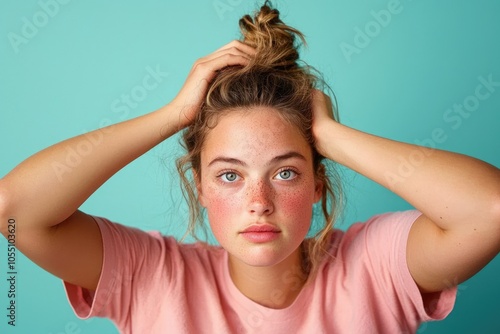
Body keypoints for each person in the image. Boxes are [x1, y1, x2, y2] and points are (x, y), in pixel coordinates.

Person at [1, 2, 499, 333]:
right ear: (198, 186)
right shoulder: (151, 275)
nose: (259, 202)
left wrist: (331, 136)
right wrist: (172, 115)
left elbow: (490, 211)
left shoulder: (374, 267)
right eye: (230, 175)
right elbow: (15, 210)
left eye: (285, 172)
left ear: (318, 182)